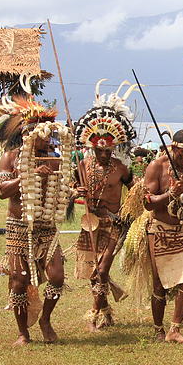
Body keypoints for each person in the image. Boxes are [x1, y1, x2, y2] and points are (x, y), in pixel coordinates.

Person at [0, 77, 75, 345]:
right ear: (26, 133)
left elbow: (63, 190)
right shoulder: (11, 157)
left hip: (47, 227)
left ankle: (46, 319)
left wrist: (71, 191)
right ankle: (22, 333)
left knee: (57, 279)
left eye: (47, 132)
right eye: (38, 132)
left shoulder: (55, 157)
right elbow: (2, 190)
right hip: (19, 227)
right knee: (18, 283)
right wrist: (27, 176)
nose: (45, 137)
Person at [73, 80, 138, 331]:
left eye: (108, 149)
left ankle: (95, 315)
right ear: (91, 145)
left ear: (114, 147)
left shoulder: (121, 168)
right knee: (93, 272)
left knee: (101, 269)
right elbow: (69, 190)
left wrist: (128, 212)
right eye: (100, 150)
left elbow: (136, 191)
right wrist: (75, 190)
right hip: (90, 223)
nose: (104, 154)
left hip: (114, 223)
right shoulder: (82, 167)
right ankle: (105, 310)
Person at [142, 129, 183, 342]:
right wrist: (171, 194)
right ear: (173, 148)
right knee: (160, 283)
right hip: (160, 229)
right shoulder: (157, 166)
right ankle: (158, 328)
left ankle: (174, 329)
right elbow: (146, 202)